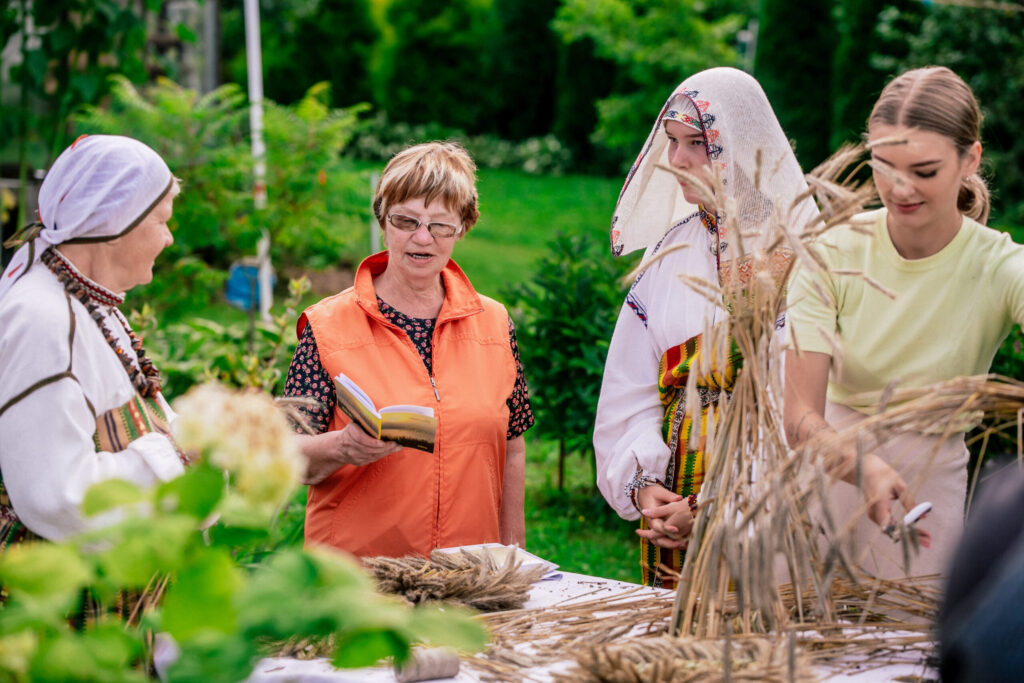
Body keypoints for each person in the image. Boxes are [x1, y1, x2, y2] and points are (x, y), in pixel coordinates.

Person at [784, 66, 1024, 579]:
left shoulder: (1001, 267)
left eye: (924, 171)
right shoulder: (831, 253)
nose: (899, 188)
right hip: (824, 481)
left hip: (925, 499)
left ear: (970, 160)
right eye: (883, 165)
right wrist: (863, 464)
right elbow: (800, 417)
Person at [594, 67, 819, 587]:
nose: (676, 161)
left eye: (696, 143)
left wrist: (717, 508)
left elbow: (809, 408)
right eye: (671, 142)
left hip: (771, 513)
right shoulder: (670, 251)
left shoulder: (804, 253)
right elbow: (628, 390)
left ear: (741, 145)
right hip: (672, 502)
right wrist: (646, 487)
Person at [284, 141, 533, 558]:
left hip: (470, 574)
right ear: (383, 220)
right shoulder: (327, 326)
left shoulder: (495, 323)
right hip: (358, 582)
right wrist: (341, 447)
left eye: (440, 225)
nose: (422, 238)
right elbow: (283, 454)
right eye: (406, 221)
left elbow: (512, 445)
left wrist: (513, 556)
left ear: (463, 227)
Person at [0, 134, 188, 546]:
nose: (169, 238)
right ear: (116, 223)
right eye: (161, 220)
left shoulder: (90, 301)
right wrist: (180, 460)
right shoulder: (42, 319)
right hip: (64, 599)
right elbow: (56, 495)